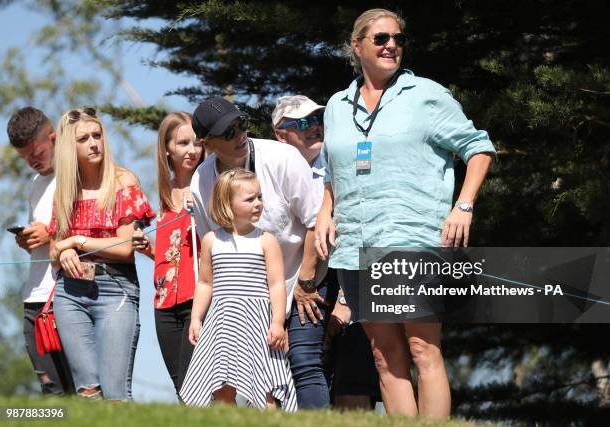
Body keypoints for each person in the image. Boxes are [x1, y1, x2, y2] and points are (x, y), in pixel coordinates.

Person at [315, 8, 496, 417]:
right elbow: (332, 171)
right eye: (380, 39)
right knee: (383, 355)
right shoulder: (336, 107)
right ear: (357, 46)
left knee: (421, 348)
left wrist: (463, 206)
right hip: (356, 245)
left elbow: (478, 148)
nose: (391, 45)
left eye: (397, 38)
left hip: (413, 238)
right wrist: (325, 213)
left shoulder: (426, 96)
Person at [188, 97, 329, 408]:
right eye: (228, 132)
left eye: (242, 125)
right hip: (249, 296)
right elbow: (212, 250)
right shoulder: (201, 181)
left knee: (304, 362)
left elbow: (316, 222)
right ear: (206, 142)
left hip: (303, 277)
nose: (239, 135)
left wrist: (306, 282)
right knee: (245, 379)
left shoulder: (282, 158)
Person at [271, 95, 380, 410]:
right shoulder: (270, 174)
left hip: (351, 283)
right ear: (280, 134)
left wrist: (346, 301)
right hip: (301, 287)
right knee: (299, 366)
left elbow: (363, 230)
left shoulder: (340, 165)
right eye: (302, 123)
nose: (313, 128)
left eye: (317, 120)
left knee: (353, 382)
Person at [47, 107, 155, 400]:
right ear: (71, 147)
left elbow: (124, 248)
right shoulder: (65, 189)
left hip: (115, 288)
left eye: (98, 135)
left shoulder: (123, 181)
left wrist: (76, 242)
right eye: (84, 139)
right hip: (69, 292)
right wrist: (63, 253)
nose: (94, 143)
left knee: (115, 395)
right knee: (88, 392)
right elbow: (55, 248)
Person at [180, 169, 297, 411]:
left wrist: (277, 322)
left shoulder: (266, 240)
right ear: (227, 204)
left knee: (265, 385)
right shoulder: (212, 240)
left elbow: (276, 283)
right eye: (250, 199)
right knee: (221, 387)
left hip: (256, 321)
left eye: (260, 197)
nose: (258, 203)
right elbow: (205, 283)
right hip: (222, 321)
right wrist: (196, 318)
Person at [131, 112, 203, 396]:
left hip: (198, 298)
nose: (192, 150)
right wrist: (147, 248)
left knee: (193, 384)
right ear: (167, 150)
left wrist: (202, 208)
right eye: (183, 143)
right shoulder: (163, 193)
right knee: (180, 388)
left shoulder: (209, 184)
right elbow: (171, 253)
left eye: (196, 142)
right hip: (163, 303)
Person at [7, 107, 74, 395]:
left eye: (36, 152)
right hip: (34, 297)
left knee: (81, 391)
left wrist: (51, 235)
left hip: (67, 295)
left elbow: (93, 233)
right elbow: (44, 235)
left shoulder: (78, 173)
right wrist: (29, 240)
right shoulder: (35, 185)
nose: (32, 161)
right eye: (25, 158)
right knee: (52, 394)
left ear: (54, 137)